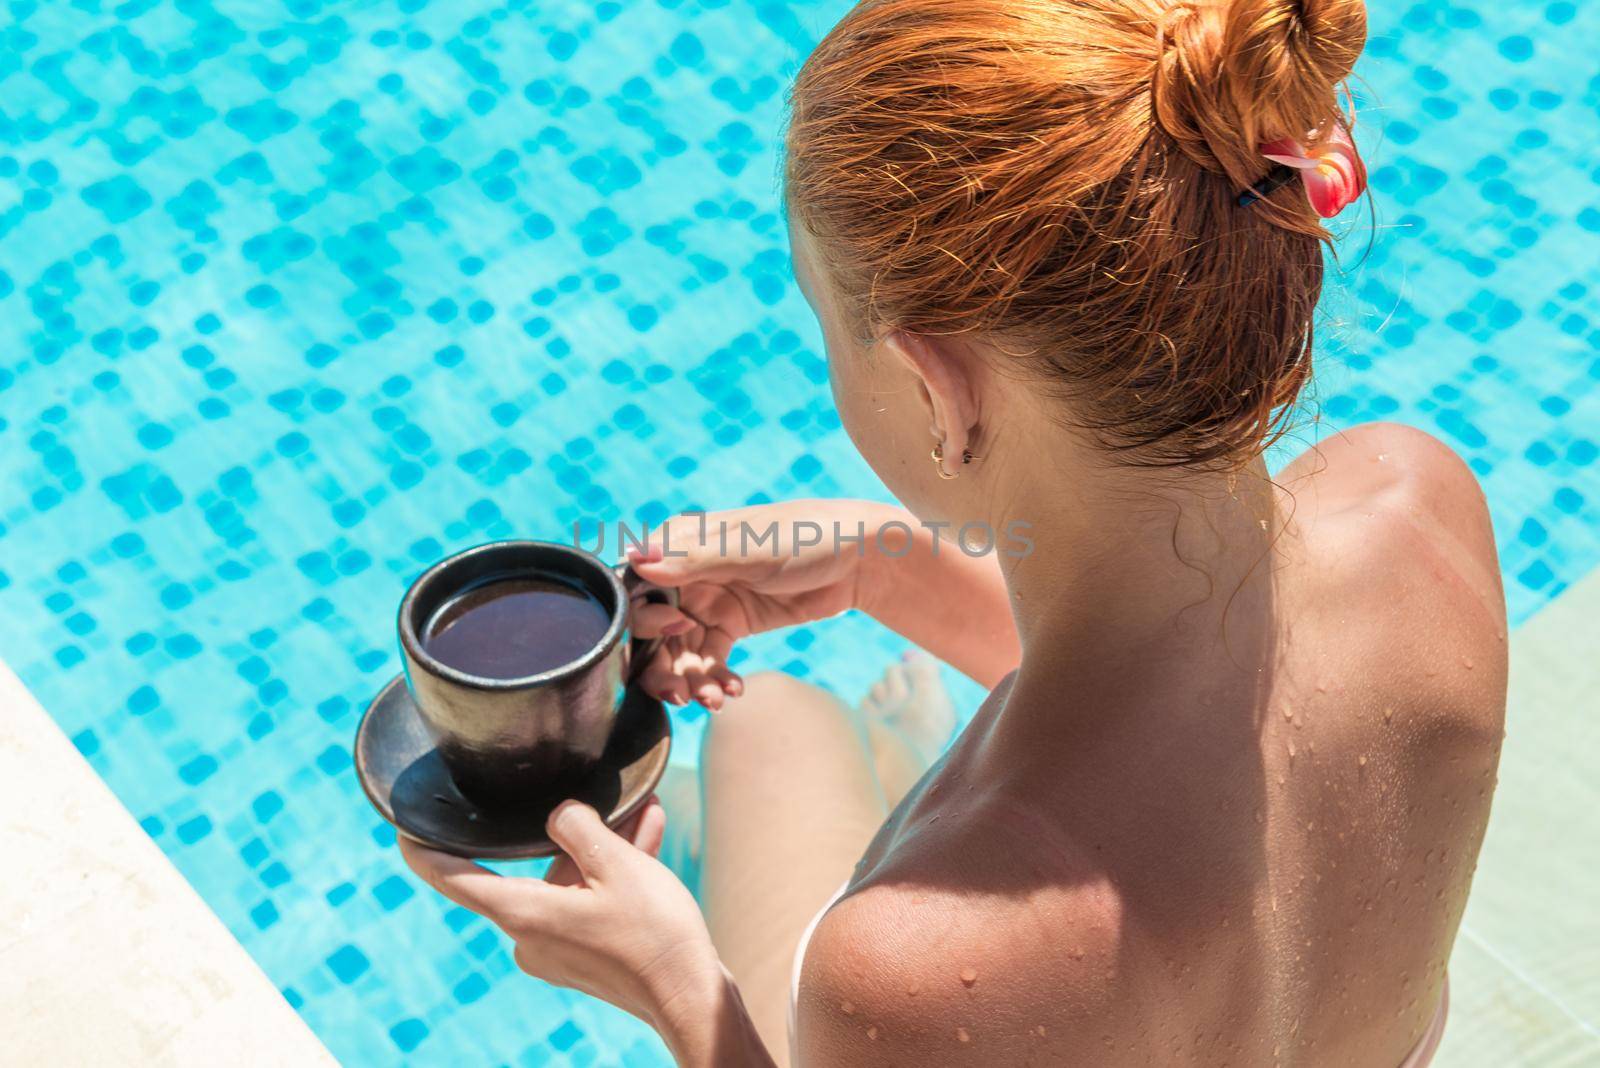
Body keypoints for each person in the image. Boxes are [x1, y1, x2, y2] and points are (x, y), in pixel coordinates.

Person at [401, 0, 1507, 1063]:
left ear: (938, 390)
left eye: (824, 322)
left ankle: (892, 759)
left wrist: (675, 989)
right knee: (773, 718)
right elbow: (1212, 720)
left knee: (753, 732)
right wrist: (885, 564)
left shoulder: (911, 974)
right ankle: (900, 751)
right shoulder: (1418, 505)